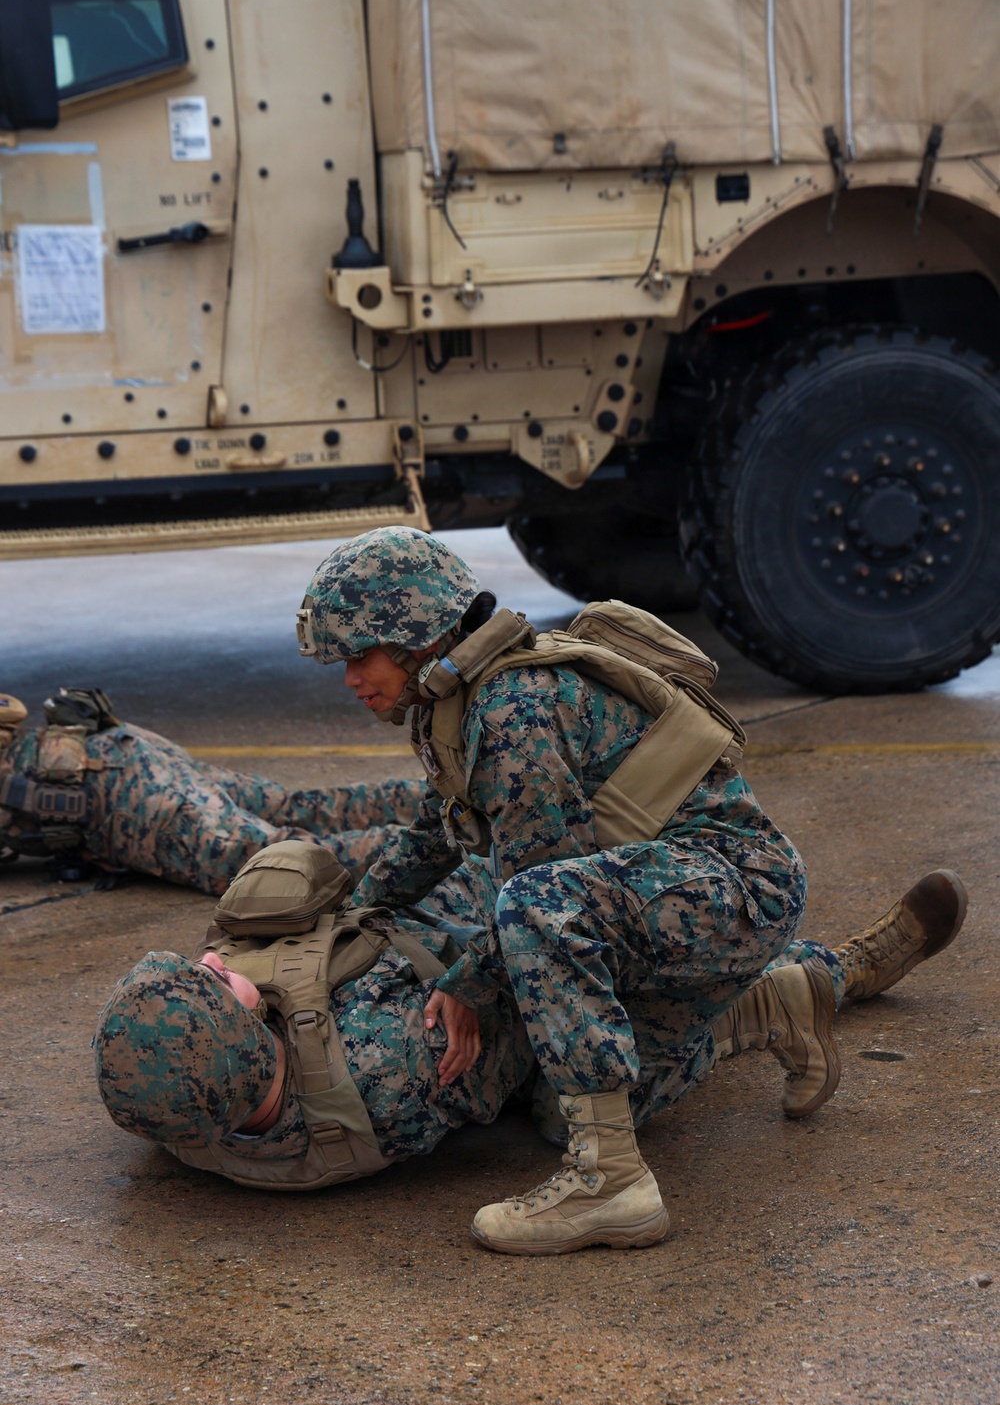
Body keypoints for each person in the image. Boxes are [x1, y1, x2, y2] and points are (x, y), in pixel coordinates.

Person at [293, 527, 968, 1254]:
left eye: (357, 655)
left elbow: (537, 884)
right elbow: (434, 833)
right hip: (662, 891)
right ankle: (784, 1000)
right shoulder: (454, 708)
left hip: (735, 881)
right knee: (563, 1107)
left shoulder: (513, 708)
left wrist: (465, 987)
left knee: (530, 907)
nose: (350, 677)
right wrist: (352, 912)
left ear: (413, 635)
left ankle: (612, 1184)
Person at [93, 839, 966, 1200]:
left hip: (417, 954)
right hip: (497, 955)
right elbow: (518, 979)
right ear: (249, 1043)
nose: (213, 970)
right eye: (213, 989)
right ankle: (812, 984)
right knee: (583, 1093)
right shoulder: (393, 1064)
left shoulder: (188, 1110)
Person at [0, 687, 423, 895]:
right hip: (123, 747)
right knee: (296, 807)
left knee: (273, 865)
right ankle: (438, 797)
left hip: (127, 800)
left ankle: (439, 847)